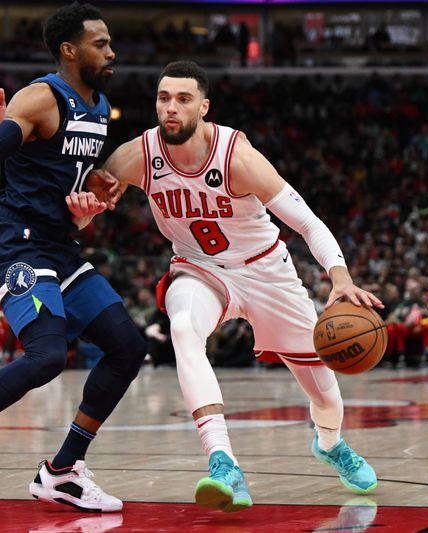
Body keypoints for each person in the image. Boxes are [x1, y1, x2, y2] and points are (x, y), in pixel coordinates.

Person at [97, 61, 383, 511]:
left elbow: (307, 223)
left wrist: (341, 278)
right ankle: (223, 462)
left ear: (204, 107)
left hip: (267, 271)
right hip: (199, 268)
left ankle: (329, 444)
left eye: (183, 99)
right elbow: (88, 199)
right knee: (184, 328)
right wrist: (86, 204)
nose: (170, 108)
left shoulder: (238, 157)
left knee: (325, 393)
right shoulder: (136, 155)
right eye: (163, 98)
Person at [0, 2, 147, 513]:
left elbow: (70, 180)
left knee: (127, 345)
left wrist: (94, 197)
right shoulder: (41, 98)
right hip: (16, 241)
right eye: (99, 43)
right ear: (69, 49)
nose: (110, 50)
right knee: (48, 356)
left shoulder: (99, 107)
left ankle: (63, 472)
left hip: (57, 242)